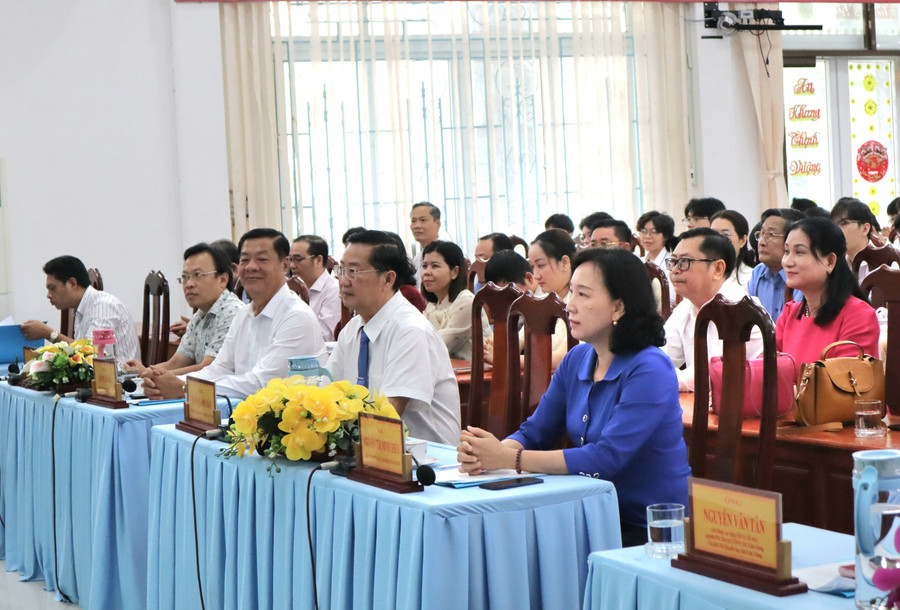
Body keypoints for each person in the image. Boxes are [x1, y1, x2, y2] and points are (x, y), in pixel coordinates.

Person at [456, 248, 690, 546]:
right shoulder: (577, 358)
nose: (570, 306)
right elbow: (535, 432)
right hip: (589, 510)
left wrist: (509, 459)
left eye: (583, 295)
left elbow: (606, 458)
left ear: (619, 307)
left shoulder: (650, 368)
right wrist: (488, 454)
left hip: (647, 525)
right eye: (572, 293)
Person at [142, 228, 326, 399]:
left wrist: (186, 389)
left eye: (262, 259)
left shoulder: (296, 316)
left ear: (284, 264)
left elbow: (263, 384)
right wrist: (167, 383)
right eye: (245, 260)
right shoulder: (244, 315)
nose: (251, 267)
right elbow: (219, 369)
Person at [327, 230, 460, 445]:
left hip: (425, 459)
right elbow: (326, 394)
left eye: (353, 271)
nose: (343, 281)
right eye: (341, 270)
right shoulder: (353, 329)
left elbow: (387, 417)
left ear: (388, 279)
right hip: (367, 451)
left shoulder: (410, 330)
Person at [663, 228, 763, 392]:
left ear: (717, 269)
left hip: (746, 404)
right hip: (706, 401)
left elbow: (712, 375)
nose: (674, 270)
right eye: (673, 261)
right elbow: (662, 358)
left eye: (684, 262)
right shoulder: (686, 306)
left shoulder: (742, 310)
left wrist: (657, 377)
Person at [124, 243, 242, 376]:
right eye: (185, 277)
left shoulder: (232, 313)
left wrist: (150, 375)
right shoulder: (199, 316)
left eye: (198, 274)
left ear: (223, 280)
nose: (189, 284)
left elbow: (209, 369)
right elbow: (176, 363)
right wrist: (141, 372)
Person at [777, 217, 879, 364]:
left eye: (799, 252)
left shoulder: (858, 315)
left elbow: (847, 376)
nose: (787, 262)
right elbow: (767, 368)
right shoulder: (789, 314)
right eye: (786, 251)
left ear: (830, 261)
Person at [21, 255, 140, 362]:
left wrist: (49, 334)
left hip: (122, 377)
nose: (48, 295)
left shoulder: (103, 306)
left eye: (52, 288)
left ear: (72, 283)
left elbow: (91, 354)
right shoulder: (81, 308)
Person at [421, 241, 482, 360]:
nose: (426, 272)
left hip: (474, 370)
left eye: (435, 266)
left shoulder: (466, 301)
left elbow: (440, 346)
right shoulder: (433, 305)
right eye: (424, 266)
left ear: (454, 272)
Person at [747, 208, 805, 322]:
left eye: (770, 234)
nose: (761, 242)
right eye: (761, 234)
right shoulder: (758, 272)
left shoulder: (803, 273)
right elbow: (748, 317)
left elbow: (797, 323)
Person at [290, 235, 340, 341]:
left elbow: (325, 336)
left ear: (318, 260)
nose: (292, 266)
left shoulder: (334, 290)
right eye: (291, 260)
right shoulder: (292, 289)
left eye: (297, 259)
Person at [831, 198, 883, 282]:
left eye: (844, 223)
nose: (837, 230)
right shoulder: (835, 265)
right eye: (834, 225)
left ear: (865, 229)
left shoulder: (885, 262)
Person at [711, 210, 755, 287]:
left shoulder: (751, 278)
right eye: (713, 234)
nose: (718, 239)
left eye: (726, 234)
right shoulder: (701, 274)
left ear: (742, 240)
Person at [410, 201, 442, 287]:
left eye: (423, 220)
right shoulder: (417, 259)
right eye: (413, 221)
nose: (417, 226)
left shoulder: (446, 253)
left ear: (437, 224)